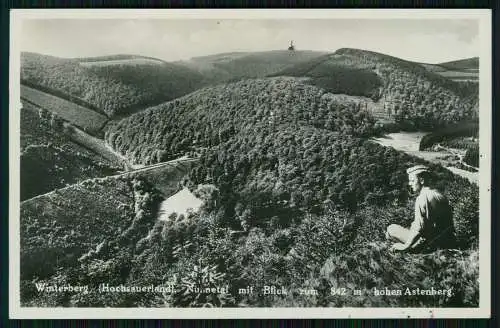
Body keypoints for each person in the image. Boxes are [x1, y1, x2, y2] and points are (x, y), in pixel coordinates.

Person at [386, 165, 456, 252]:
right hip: (448, 241)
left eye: (412, 180)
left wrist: (405, 246)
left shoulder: (422, 197)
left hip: (430, 244)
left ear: (422, 180)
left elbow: (419, 229)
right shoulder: (439, 194)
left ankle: (410, 249)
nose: (410, 184)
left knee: (391, 229)